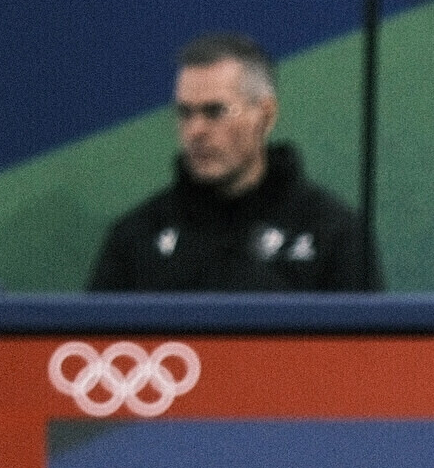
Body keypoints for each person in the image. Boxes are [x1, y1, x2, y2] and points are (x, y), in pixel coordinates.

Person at [88, 33, 381, 292]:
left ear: (265, 115)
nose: (195, 130)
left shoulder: (332, 234)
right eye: (185, 113)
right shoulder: (136, 237)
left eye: (215, 111)